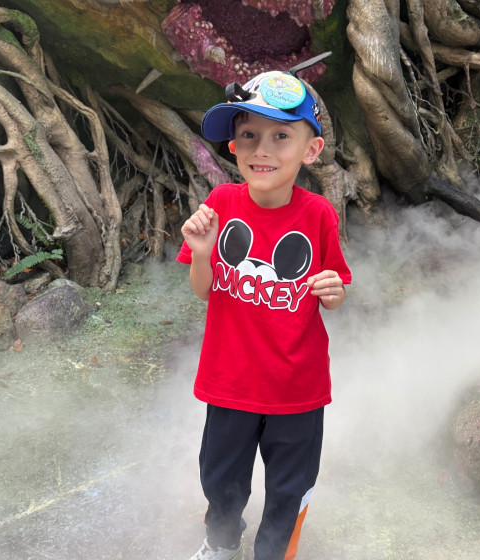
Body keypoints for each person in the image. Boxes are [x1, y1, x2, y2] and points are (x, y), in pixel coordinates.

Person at [177, 67, 352, 560]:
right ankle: (221, 541)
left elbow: (334, 289)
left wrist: (333, 292)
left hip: (297, 387)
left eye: (281, 136)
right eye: (250, 135)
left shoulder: (319, 214)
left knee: (289, 487)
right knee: (219, 477)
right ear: (233, 146)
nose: (263, 150)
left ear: (311, 150)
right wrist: (204, 252)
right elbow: (204, 291)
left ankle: (272, 554)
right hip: (229, 380)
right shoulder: (221, 203)